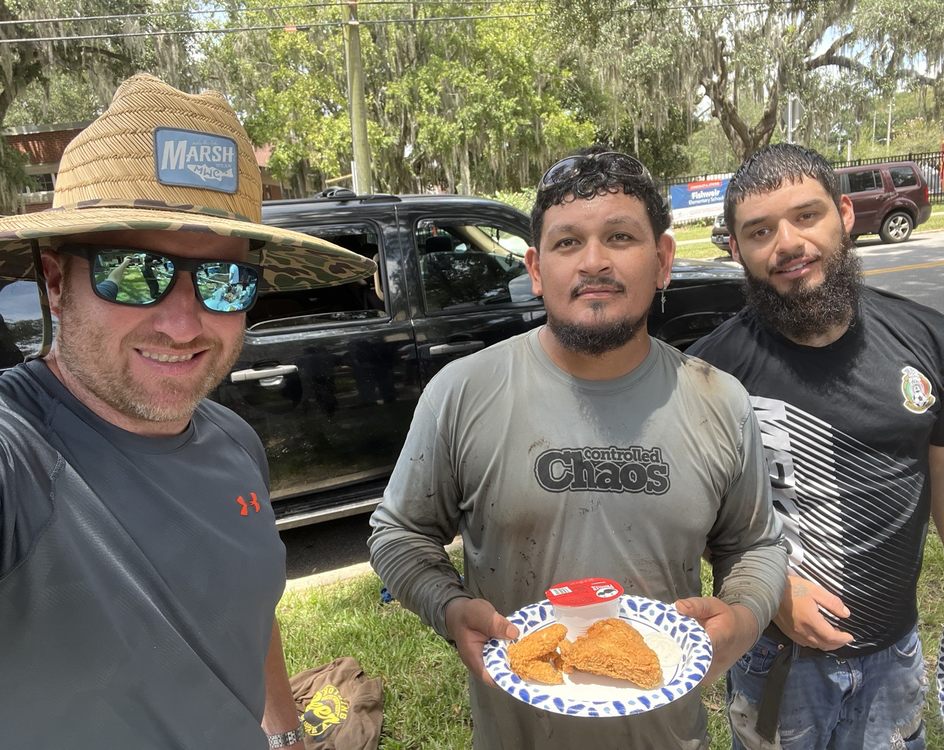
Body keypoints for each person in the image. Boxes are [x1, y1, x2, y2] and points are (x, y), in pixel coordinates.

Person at [369, 146, 788, 749]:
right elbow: (398, 533)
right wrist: (450, 606)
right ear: (536, 269)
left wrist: (744, 616)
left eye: (620, 237)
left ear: (663, 259)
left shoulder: (719, 401)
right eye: (568, 243)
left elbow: (756, 544)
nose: (594, 262)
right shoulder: (462, 392)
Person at [0, 74, 374, 748]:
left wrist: (283, 733)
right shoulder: (19, 457)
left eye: (223, 281)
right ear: (57, 282)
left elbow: (247, 611)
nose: (182, 324)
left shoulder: (234, 442)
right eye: (133, 272)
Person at [687, 142, 944, 749]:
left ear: (845, 216)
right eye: (759, 231)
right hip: (774, 662)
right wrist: (770, 590)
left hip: (895, 655)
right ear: (737, 249)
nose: (787, 243)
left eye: (806, 216)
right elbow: (696, 513)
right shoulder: (709, 371)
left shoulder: (927, 337)